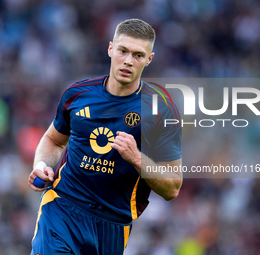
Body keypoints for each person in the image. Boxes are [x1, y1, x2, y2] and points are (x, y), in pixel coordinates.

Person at [28, 18, 182, 255]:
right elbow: (53, 140)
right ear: (111, 49)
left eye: (138, 55)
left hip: (113, 224)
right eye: (123, 51)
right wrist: (41, 164)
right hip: (62, 208)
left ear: (149, 59)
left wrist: (138, 159)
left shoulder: (160, 109)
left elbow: (172, 188)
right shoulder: (77, 94)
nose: (128, 61)